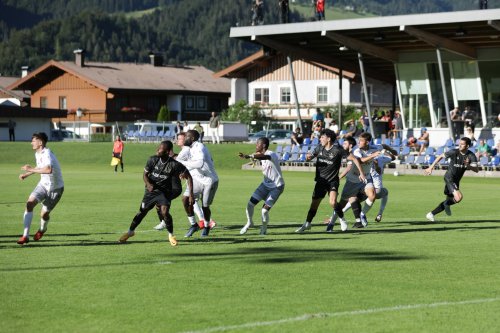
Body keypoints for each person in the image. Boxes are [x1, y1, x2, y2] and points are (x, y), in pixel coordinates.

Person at [119, 141, 194, 246]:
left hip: (165, 192)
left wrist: (191, 194)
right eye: (158, 148)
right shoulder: (152, 159)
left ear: (167, 151)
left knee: (165, 212)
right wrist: (148, 184)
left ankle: (171, 235)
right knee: (142, 212)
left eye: (160, 149)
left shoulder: (174, 164)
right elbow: (145, 174)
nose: (157, 150)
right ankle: (130, 232)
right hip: (151, 191)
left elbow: (189, 176)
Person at [295, 129, 366, 233]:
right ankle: (307, 224)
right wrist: (308, 158)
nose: (320, 139)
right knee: (314, 204)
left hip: (332, 181)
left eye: (322, 137)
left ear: (328, 139)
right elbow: (309, 158)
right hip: (320, 181)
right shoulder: (319, 147)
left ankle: (342, 220)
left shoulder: (338, 150)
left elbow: (354, 159)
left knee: (332, 202)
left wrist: (361, 173)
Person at [153, 132, 215, 231]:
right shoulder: (187, 149)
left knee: (190, 201)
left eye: (180, 138)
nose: (178, 140)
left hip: (198, 179)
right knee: (192, 201)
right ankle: (203, 221)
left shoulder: (190, 149)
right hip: (194, 178)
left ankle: (165, 222)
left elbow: (179, 161)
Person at [17, 132, 64, 245]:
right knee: (29, 203)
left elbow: (48, 170)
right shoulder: (37, 154)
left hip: (55, 188)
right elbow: (40, 167)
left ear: (40, 142)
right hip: (43, 184)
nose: (31, 143)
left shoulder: (47, 153)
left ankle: (42, 229)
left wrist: (31, 169)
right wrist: (27, 174)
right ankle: (25, 236)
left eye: (33, 140)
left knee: (43, 214)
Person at [332, 132, 383, 229]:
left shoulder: (374, 148)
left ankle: (362, 215)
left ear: (367, 142)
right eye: (358, 140)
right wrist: (373, 156)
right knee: (343, 203)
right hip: (353, 180)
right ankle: (332, 221)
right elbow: (360, 161)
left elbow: (382, 147)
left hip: (366, 178)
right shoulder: (356, 150)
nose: (358, 142)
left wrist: (377, 164)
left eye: (361, 141)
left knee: (372, 195)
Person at [424, 137, 478, 221]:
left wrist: (468, 166)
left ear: (467, 146)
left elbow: (476, 170)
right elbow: (440, 156)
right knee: (458, 197)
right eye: (459, 143)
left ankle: (437, 210)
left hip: (456, 180)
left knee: (450, 199)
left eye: (462, 144)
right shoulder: (454, 152)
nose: (460, 145)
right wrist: (431, 167)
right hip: (449, 177)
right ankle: (441, 207)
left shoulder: (471, 155)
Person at [238, 137, 285, 235]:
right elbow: (259, 156)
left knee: (264, 211)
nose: (256, 145)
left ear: (263, 145)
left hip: (276, 187)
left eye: (257, 144)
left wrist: (249, 156)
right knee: (250, 204)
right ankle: (250, 222)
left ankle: (264, 228)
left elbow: (265, 157)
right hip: (265, 185)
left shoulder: (271, 154)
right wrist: (252, 158)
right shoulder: (260, 155)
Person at [179, 130, 219, 237]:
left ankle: (206, 226)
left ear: (192, 139)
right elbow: (178, 159)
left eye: (186, 136)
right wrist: (182, 169)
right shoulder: (187, 148)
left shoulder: (199, 147)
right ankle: (194, 224)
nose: (184, 139)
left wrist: (184, 164)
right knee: (185, 199)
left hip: (209, 181)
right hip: (196, 179)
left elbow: (200, 163)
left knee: (205, 206)